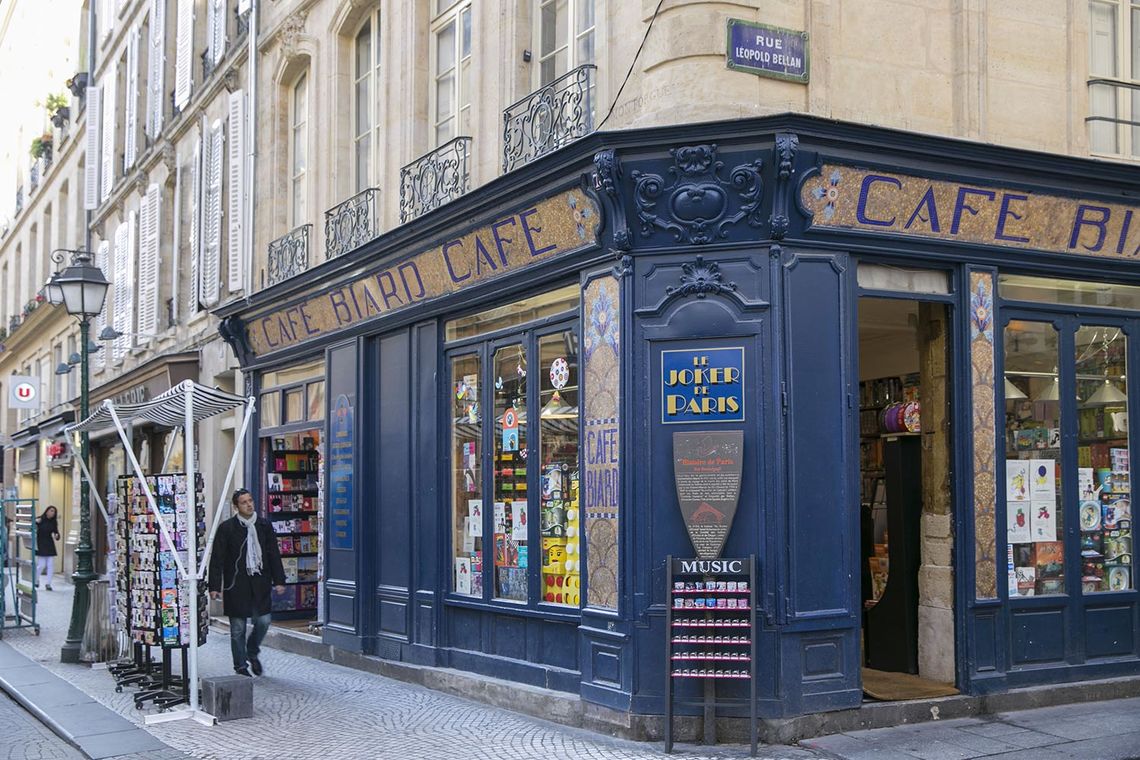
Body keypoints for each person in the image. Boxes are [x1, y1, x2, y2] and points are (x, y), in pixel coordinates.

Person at [208, 489, 285, 677]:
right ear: (236, 507)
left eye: (250, 500)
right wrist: (214, 586)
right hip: (236, 584)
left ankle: (252, 650)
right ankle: (241, 666)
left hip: (260, 582)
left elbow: (273, 554)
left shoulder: (264, 525)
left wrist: (279, 580)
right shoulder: (227, 528)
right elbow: (217, 558)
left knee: (264, 621)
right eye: (244, 502)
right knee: (237, 629)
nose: (249, 505)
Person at [35, 506, 61, 590]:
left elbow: (56, 532)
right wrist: (35, 522)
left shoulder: (53, 522)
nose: (52, 513)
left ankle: (48, 584)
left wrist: (57, 536)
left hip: (49, 544)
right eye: (51, 511)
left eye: (54, 512)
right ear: (46, 511)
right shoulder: (40, 519)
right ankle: (36, 580)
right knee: (41, 565)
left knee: (50, 565)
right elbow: (32, 527)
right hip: (41, 543)